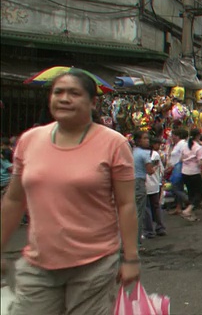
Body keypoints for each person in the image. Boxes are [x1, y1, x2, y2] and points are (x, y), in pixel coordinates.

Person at [0, 70, 139, 314]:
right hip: (38, 263)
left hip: (94, 264)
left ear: (92, 102)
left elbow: (126, 204)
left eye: (74, 93)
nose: (64, 98)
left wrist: (131, 258)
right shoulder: (29, 140)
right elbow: (13, 199)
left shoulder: (114, 143)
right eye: (58, 92)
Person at [132, 130, 156, 249]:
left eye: (148, 138)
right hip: (139, 182)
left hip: (130, 182)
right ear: (138, 140)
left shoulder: (133, 152)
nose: (147, 141)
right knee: (138, 213)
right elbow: (150, 171)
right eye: (144, 138)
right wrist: (155, 166)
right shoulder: (145, 154)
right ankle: (136, 243)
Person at [181, 129, 202, 221]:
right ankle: (188, 210)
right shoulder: (198, 148)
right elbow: (200, 162)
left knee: (191, 193)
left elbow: (181, 158)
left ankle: (191, 214)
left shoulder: (184, 145)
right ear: (198, 136)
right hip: (194, 172)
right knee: (199, 194)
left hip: (185, 172)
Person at [144, 137, 166, 238]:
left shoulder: (148, 156)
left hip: (148, 184)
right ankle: (159, 227)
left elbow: (152, 170)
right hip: (154, 184)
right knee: (155, 207)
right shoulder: (155, 155)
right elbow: (161, 169)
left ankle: (150, 230)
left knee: (147, 208)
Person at [166, 128, 189, 215]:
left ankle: (187, 199)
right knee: (178, 186)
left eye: (173, 136)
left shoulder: (183, 144)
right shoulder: (176, 145)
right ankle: (178, 207)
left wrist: (178, 164)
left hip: (179, 167)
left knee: (175, 186)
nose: (172, 137)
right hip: (175, 167)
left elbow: (184, 155)